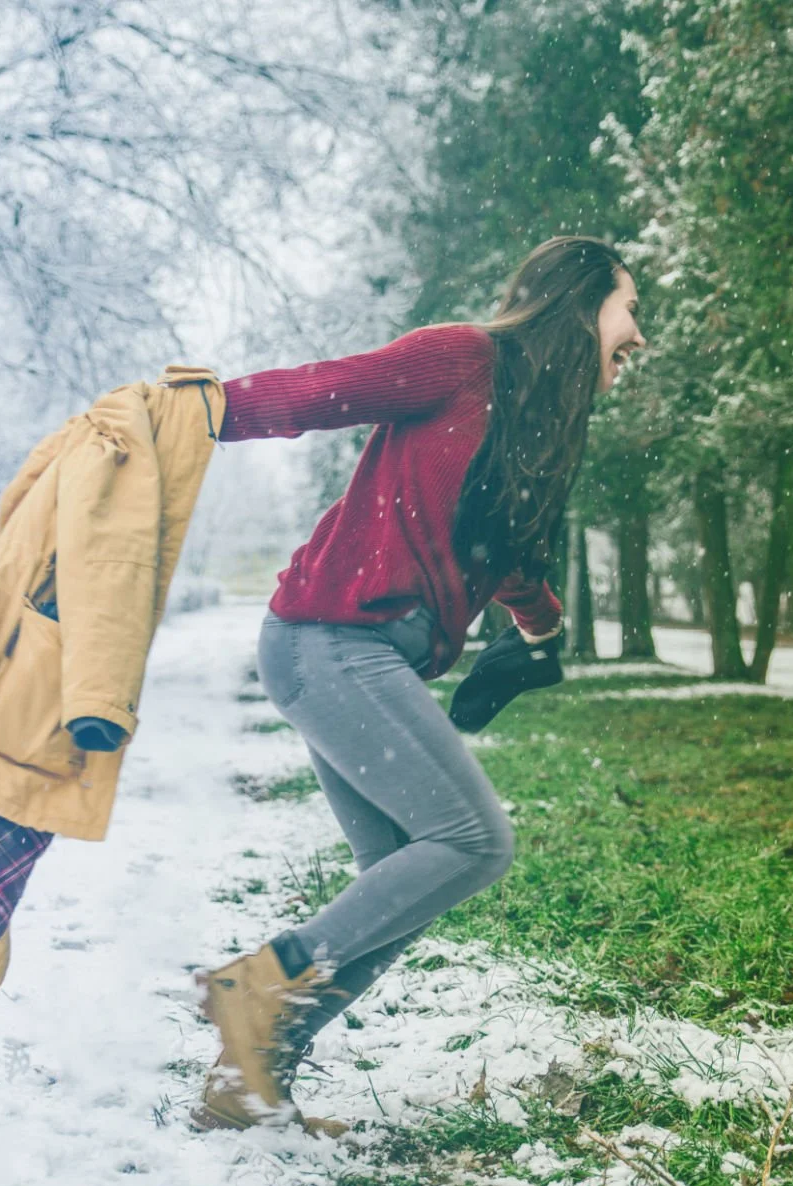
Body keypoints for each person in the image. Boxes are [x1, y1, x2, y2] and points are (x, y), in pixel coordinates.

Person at [193, 237, 646, 1135]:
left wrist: (540, 625)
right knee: (473, 841)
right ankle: (261, 981)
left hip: (362, 655)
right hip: (329, 639)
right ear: (582, 301)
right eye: (631, 312)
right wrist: (207, 409)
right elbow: (326, 390)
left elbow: (502, 547)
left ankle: (251, 1080)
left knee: (400, 877)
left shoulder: (538, 419)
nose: (639, 340)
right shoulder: (463, 358)